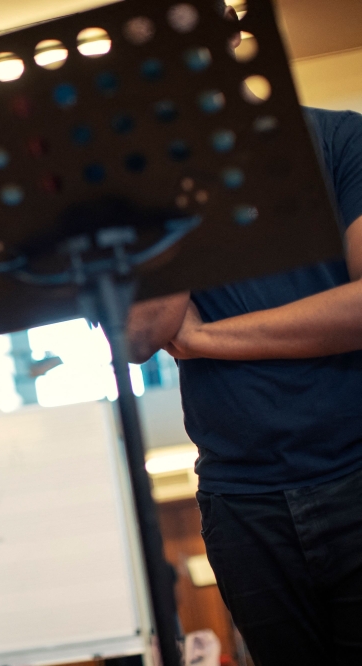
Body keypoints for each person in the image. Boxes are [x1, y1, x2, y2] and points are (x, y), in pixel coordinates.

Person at [128, 103, 362, 666]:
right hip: (241, 500)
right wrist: (176, 196)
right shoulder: (143, 185)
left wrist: (204, 340)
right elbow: (139, 338)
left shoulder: (336, 137)